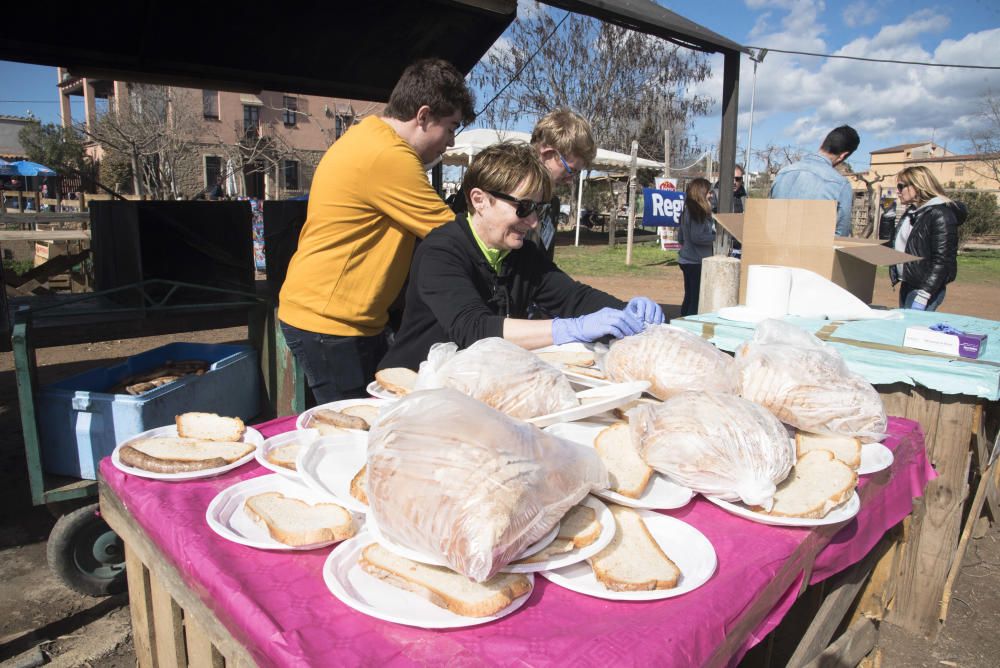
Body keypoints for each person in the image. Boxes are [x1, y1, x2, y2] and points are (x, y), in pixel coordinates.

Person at [277, 58, 476, 402]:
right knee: (356, 431)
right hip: (331, 323)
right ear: (424, 116)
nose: (452, 141)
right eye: (450, 127)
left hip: (334, 317)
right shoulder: (389, 156)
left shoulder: (368, 137)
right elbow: (454, 236)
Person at [379, 141, 663, 371]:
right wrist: (570, 329)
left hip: (476, 385)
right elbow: (473, 328)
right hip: (413, 387)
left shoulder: (522, 253)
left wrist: (627, 313)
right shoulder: (440, 251)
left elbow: (572, 298)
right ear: (479, 200)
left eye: (538, 209)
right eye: (524, 207)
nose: (534, 222)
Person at [448, 109, 597, 262]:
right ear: (547, 154)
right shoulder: (489, 182)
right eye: (570, 170)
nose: (570, 180)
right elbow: (455, 241)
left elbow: (542, 260)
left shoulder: (553, 204)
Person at [889, 166, 967, 311]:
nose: (897, 191)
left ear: (918, 186)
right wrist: (887, 219)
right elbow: (893, 246)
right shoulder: (913, 212)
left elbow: (943, 260)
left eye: (901, 186)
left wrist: (924, 295)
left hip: (924, 289)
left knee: (913, 330)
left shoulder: (940, 214)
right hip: (907, 283)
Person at [770, 125, 860, 237]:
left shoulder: (783, 173)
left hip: (776, 249)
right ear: (843, 155)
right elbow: (841, 235)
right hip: (814, 253)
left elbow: (771, 219)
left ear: (823, 142)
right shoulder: (840, 184)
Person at [677, 178, 716, 317]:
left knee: (689, 297)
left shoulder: (686, 211)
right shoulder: (697, 212)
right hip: (695, 263)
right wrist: (716, 239)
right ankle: (689, 329)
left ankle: (682, 325)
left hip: (686, 260)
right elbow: (697, 237)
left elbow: (680, 238)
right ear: (701, 192)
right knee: (695, 299)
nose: (711, 195)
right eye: (709, 192)